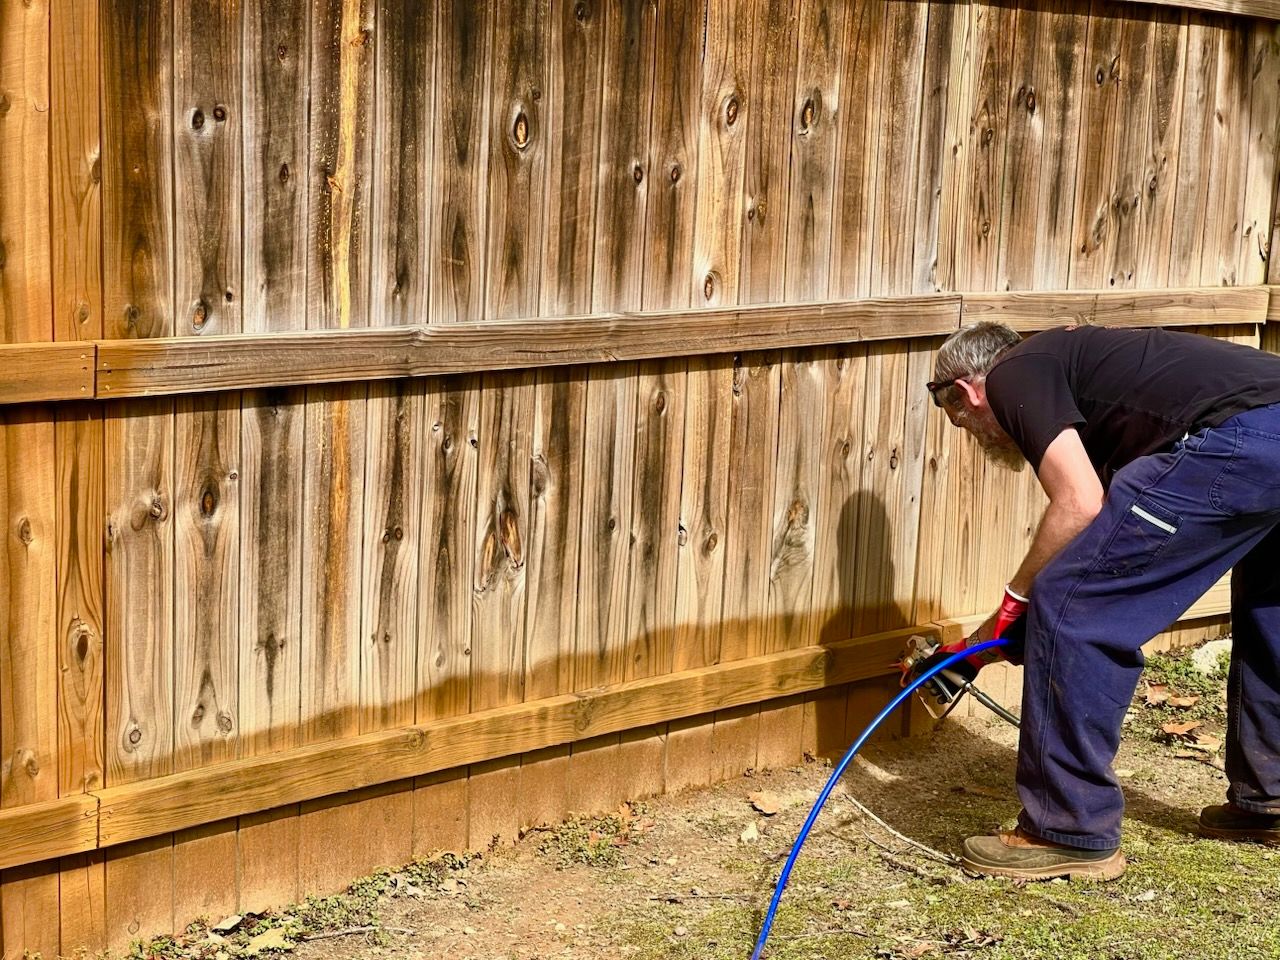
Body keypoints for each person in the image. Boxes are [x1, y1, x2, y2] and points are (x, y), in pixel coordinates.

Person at [912, 321, 1280, 880]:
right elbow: (1101, 540)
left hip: (1242, 439)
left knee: (1073, 608)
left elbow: (1079, 505)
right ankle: (1270, 799)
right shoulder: (1102, 392)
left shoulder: (1014, 372)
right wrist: (980, 648)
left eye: (959, 421)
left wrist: (1018, 601)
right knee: (1271, 608)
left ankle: (1066, 828)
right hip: (1265, 431)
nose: (973, 433)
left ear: (965, 391)